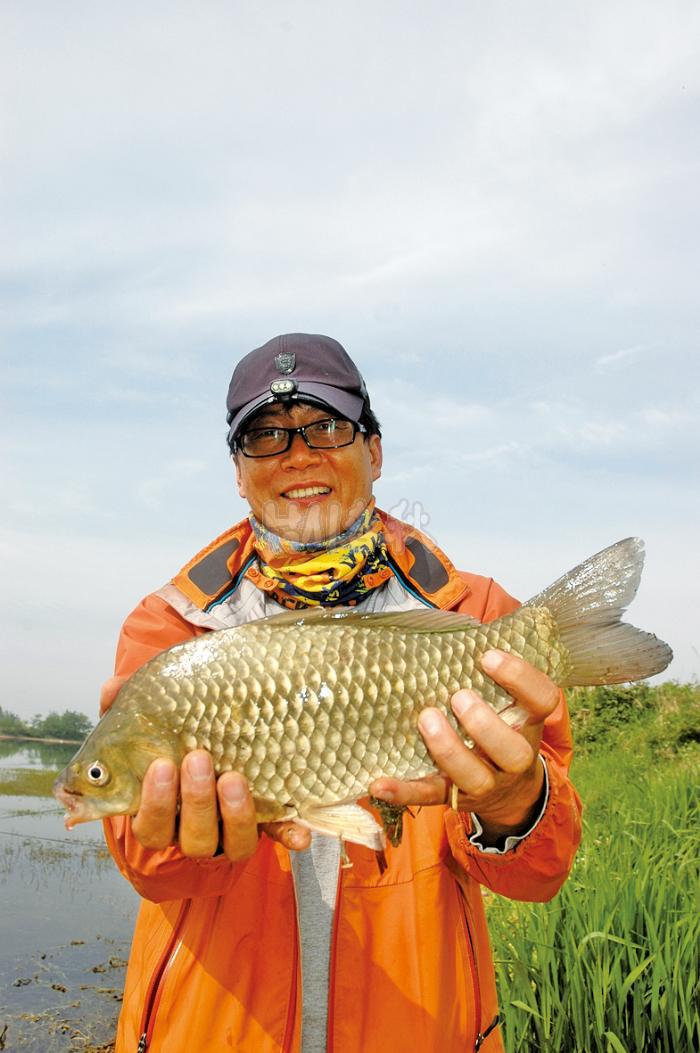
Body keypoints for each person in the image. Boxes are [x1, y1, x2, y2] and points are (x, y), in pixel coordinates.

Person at [100, 333, 582, 1053]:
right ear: (238, 472)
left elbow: (541, 872)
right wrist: (179, 841)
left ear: (375, 451)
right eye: (264, 436)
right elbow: (146, 866)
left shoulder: (479, 620)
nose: (298, 454)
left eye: (326, 426)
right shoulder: (172, 627)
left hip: (422, 1027)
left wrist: (514, 803)